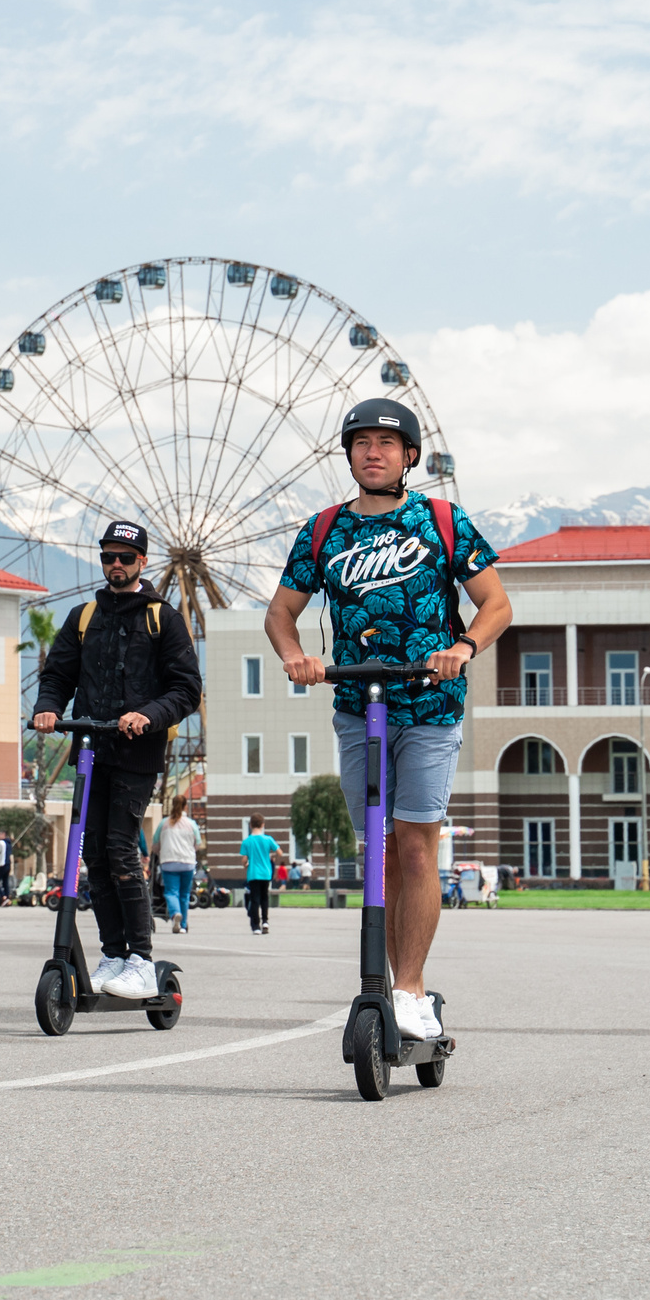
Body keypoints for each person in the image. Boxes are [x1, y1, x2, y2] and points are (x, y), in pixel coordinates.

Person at [264, 396, 511, 1042]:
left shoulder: (443, 521)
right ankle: (391, 984)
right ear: (348, 454)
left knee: (420, 847)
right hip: (358, 707)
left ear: (408, 456)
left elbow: (496, 605)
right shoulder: (323, 531)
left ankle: (411, 989)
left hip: (429, 706)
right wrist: (296, 659)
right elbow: (280, 613)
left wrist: (462, 648)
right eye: (361, 441)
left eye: (387, 442)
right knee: (384, 850)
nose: (373, 451)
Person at [31, 518, 203, 1000]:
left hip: (137, 755)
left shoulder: (162, 618)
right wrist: (47, 709)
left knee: (121, 849)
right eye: (108, 557)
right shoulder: (83, 617)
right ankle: (112, 954)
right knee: (93, 855)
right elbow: (58, 676)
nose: (116, 565)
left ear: (143, 562)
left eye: (125, 558)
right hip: (90, 751)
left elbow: (186, 689)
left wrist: (147, 716)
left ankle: (142, 961)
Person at [153, 795, 200, 934]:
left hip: (169, 862)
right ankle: (183, 925)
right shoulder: (191, 824)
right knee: (184, 894)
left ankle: (175, 914)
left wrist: (158, 853)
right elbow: (197, 844)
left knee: (171, 892)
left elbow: (155, 844)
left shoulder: (164, 823)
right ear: (186, 806)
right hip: (187, 863)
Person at [240, 817, 278, 935]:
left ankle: (256, 926)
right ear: (262, 825)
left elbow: (244, 859)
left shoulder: (247, 841)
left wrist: (245, 864)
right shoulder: (268, 839)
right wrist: (271, 857)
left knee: (255, 899)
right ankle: (265, 922)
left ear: (250, 825)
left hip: (253, 873)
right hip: (266, 873)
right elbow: (279, 852)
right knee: (264, 897)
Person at [0, 830, 14, 904]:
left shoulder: (1, 843)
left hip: (2, 865)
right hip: (8, 865)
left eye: (0, 834)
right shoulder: (9, 843)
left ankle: (3, 896)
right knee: (5, 882)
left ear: (3, 835)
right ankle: (7, 898)